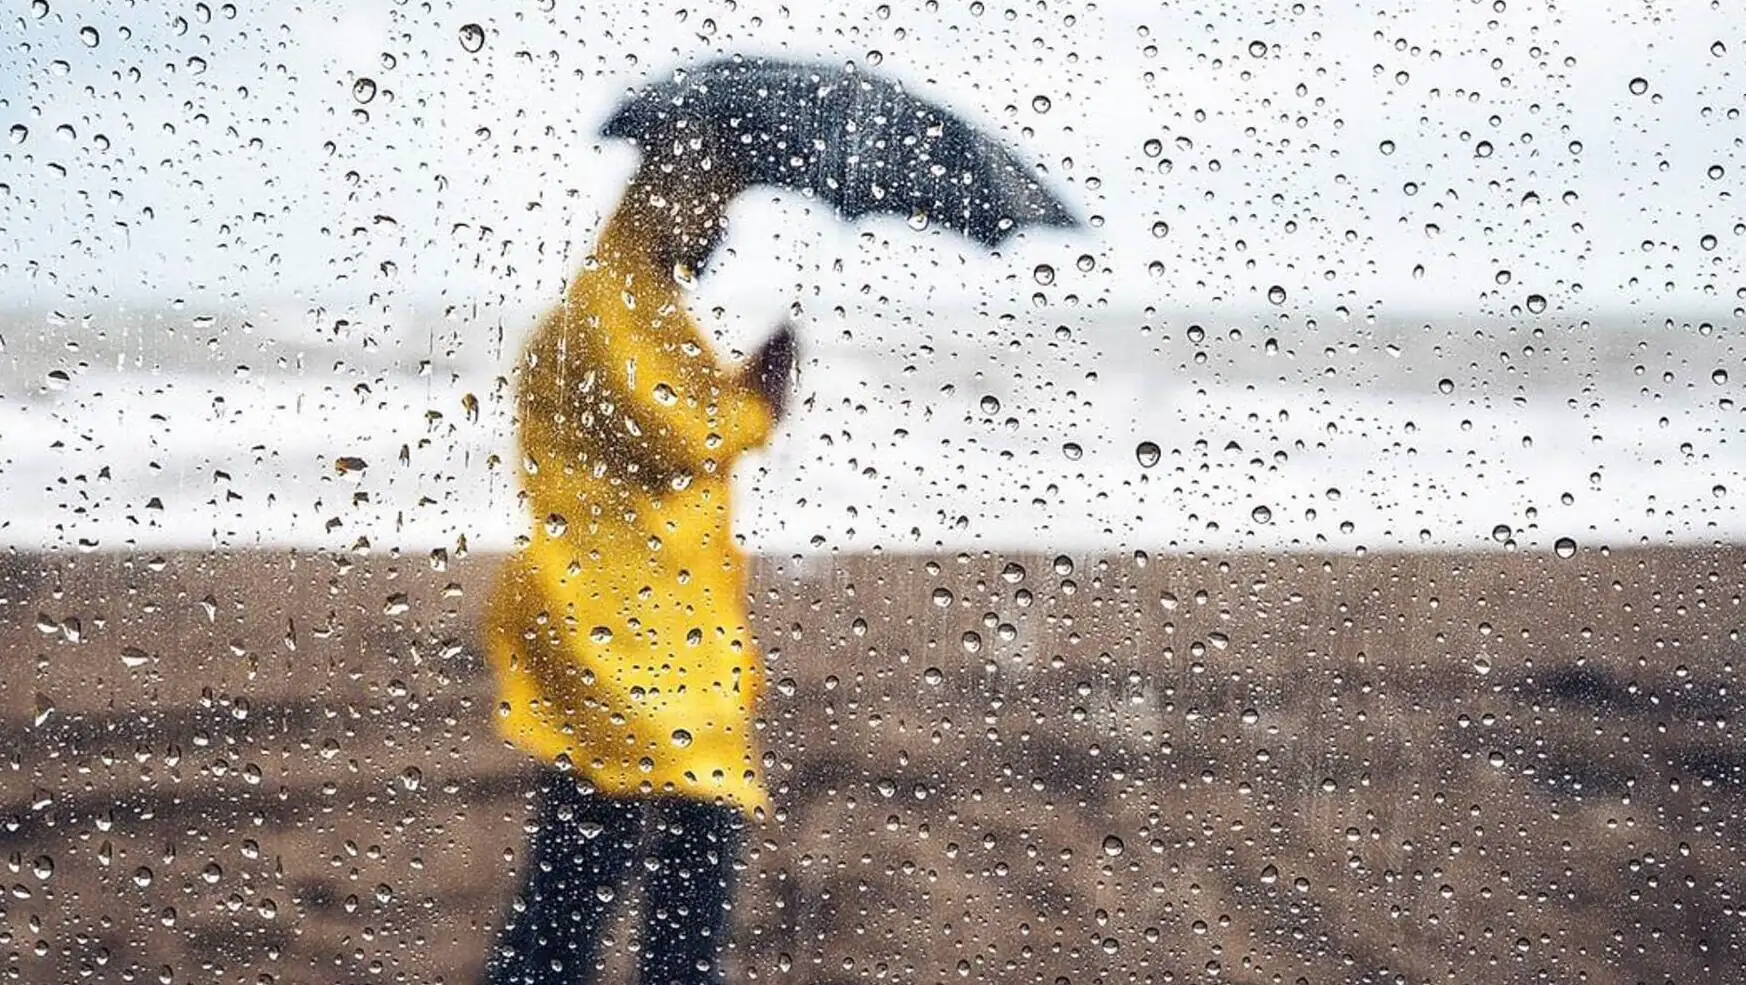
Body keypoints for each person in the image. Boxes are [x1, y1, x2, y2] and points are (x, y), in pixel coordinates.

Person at [478, 150, 795, 985]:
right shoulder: (610, 307)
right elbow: (677, 432)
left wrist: (743, 391)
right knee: (657, 835)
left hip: (654, 621)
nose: (719, 228)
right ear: (668, 202)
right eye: (710, 206)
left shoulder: (639, 306)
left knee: (602, 854)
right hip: (611, 625)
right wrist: (761, 396)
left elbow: (670, 421)